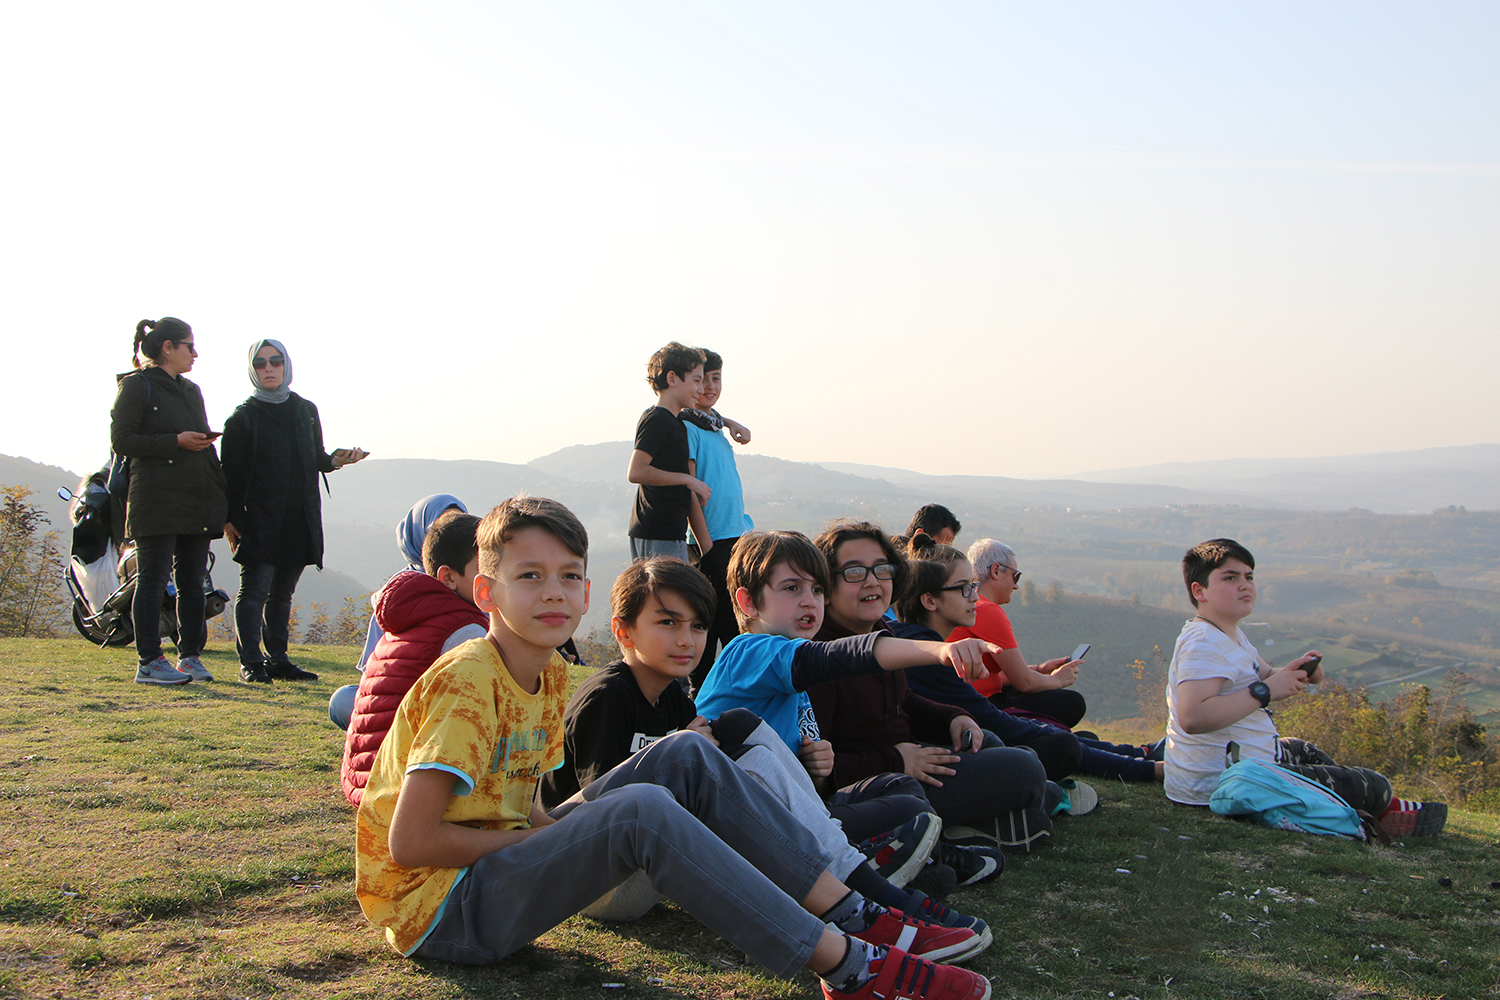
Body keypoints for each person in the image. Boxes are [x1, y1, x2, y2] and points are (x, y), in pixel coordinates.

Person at [354, 496, 993, 1000]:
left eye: (569, 575)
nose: (553, 591)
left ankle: (853, 911)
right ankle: (851, 970)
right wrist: (543, 841)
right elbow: (411, 844)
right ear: (485, 592)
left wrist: (550, 833)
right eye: (530, 576)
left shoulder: (546, 673)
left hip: (494, 872)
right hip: (442, 913)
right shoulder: (470, 679)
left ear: (585, 590)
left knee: (688, 753)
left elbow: (524, 806)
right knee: (641, 809)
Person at [539, 556, 987, 933]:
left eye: (697, 626)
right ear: (623, 632)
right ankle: (860, 890)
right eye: (667, 623)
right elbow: (601, 817)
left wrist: (811, 765)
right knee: (736, 735)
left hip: (649, 863)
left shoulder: (674, 697)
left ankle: (860, 887)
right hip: (596, 879)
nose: (686, 639)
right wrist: (675, 750)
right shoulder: (609, 696)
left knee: (887, 791)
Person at [692, 530, 1008, 879]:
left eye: (816, 589)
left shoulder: (790, 678)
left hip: (795, 808)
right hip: (753, 821)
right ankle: (886, 864)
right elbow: (836, 657)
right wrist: (940, 651)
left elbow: (791, 773)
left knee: (900, 788)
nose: (810, 601)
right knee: (906, 806)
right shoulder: (748, 654)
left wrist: (814, 766)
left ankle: (905, 860)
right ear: (749, 602)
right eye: (792, 588)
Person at [1165, 538, 1445, 838]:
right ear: (1200, 590)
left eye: (1249, 576)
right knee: (1377, 785)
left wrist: (1295, 671)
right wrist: (1266, 692)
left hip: (1246, 767)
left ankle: (1350, 807)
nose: (1244, 585)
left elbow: (1265, 673)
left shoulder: (1227, 634)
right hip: (1224, 784)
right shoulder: (1203, 644)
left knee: (1302, 748)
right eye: (1230, 578)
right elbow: (1193, 717)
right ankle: (1376, 808)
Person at [807, 521, 1058, 854]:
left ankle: (979, 827)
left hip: (907, 760)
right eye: (854, 572)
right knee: (1024, 769)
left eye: (882, 570)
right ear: (826, 584)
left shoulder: (881, 630)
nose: (872, 581)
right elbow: (819, 769)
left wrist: (952, 718)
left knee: (999, 747)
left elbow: (903, 701)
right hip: (885, 787)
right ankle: (977, 828)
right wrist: (895, 761)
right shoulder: (821, 656)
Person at [892, 535, 1159, 784]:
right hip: (947, 757)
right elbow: (1000, 718)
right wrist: (1148, 771)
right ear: (929, 601)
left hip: (964, 732)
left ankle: (1134, 753)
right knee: (1057, 744)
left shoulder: (908, 640)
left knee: (1060, 738)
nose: (975, 596)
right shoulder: (930, 658)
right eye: (964, 589)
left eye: (973, 585)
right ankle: (1141, 759)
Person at [221, 340, 367, 684]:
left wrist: (335, 460)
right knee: (254, 591)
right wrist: (227, 518)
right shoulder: (242, 418)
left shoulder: (305, 409)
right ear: (251, 370)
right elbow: (228, 474)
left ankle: (278, 660)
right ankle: (251, 663)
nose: (268, 368)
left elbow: (314, 456)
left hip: (299, 517)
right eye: (260, 363)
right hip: (256, 519)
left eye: (275, 361)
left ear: (286, 365)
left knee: (282, 594)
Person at [340, 510, 488, 806]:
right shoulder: (463, 629)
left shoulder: (411, 614)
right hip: (402, 788)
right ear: (448, 577)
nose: (495, 577)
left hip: (365, 777)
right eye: (485, 567)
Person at [109, 317, 227, 685]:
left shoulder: (191, 390)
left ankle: (189, 656)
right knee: (153, 579)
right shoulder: (135, 386)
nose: (195, 353)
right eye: (188, 346)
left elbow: (202, 447)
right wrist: (175, 441)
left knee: (193, 581)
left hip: (195, 497)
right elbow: (123, 441)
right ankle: (149, 660)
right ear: (168, 348)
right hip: (155, 498)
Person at [331, 494, 469, 729]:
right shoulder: (395, 594)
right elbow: (375, 675)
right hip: (403, 696)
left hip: (453, 696)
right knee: (344, 700)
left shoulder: (471, 584)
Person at [949, 538, 1088, 729]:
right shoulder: (986, 610)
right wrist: (1058, 679)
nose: (1016, 586)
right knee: (1072, 703)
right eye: (1015, 576)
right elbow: (1024, 683)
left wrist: (1039, 669)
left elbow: (994, 675)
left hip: (967, 700)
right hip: (983, 705)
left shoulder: (971, 604)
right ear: (996, 570)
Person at [681, 348, 755, 691]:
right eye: (702, 379)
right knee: (715, 625)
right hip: (711, 541)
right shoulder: (688, 426)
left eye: (716, 378)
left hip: (735, 536)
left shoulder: (712, 425)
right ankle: (701, 703)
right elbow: (690, 490)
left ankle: (734, 696)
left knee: (737, 622)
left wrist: (729, 421)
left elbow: (711, 414)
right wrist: (706, 546)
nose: (709, 386)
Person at [625, 342, 711, 563]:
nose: (701, 390)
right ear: (672, 379)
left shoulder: (676, 423)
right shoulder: (657, 419)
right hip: (656, 532)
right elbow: (636, 471)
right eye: (697, 380)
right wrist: (688, 480)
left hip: (670, 532)